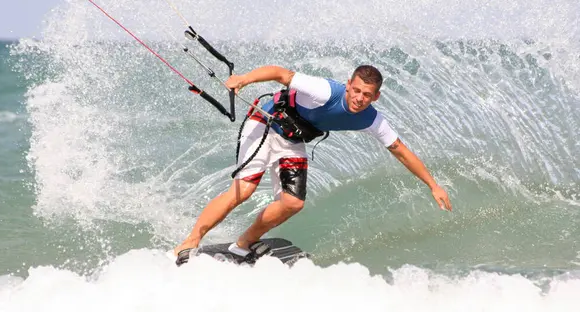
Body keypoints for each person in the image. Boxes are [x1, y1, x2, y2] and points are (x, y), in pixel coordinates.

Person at [174, 64, 452, 265]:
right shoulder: (323, 91)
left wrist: (433, 185)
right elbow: (281, 73)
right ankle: (191, 241)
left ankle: (243, 244)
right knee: (244, 190)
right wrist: (244, 79)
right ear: (348, 84)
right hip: (265, 122)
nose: (359, 98)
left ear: (375, 96)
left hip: (292, 139)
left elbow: (400, 150)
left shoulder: (371, 119)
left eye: (367, 95)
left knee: (293, 203)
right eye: (356, 90)